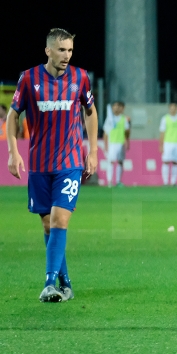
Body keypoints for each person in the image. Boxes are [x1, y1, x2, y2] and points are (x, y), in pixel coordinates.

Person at [6, 28, 98, 302]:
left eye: (70, 50)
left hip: (69, 163)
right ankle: (65, 283)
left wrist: (92, 151)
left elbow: (90, 113)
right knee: (48, 225)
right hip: (38, 164)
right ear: (48, 51)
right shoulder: (29, 78)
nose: (67, 55)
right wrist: (13, 152)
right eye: (61, 50)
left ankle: (48, 284)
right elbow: (12, 117)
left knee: (60, 219)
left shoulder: (80, 78)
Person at [103, 101, 130, 187]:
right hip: (112, 143)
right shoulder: (109, 119)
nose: (116, 108)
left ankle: (118, 181)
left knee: (120, 162)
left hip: (121, 143)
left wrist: (127, 141)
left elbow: (127, 131)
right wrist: (105, 144)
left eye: (118, 106)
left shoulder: (124, 119)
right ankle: (110, 181)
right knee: (111, 161)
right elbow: (105, 133)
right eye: (114, 106)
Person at [159, 102, 177, 186]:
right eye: (171, 108)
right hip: (168, 143)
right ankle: (166, 182)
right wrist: (161, 144)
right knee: (166, 161)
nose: (173, 109)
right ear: (169, 109)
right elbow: (162, 132)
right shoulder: (165, 118)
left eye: (174, 108)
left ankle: (173, 182)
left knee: (175, 162)